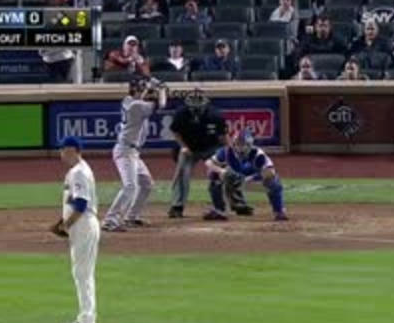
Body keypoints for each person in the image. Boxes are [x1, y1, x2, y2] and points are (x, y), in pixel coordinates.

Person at [102, 75, 168, 232]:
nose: (144, 91)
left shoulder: (129, 101)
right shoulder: (136, 106)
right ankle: (110, 220)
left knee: (146, 184)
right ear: (135, 90)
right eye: (141, 88)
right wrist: (162, 89)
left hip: (132, 152)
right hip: (125, 151)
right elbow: (161, 104)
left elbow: (144, 99)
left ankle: (131, 216)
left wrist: (152, 87)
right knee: (130, 186)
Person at [50, 136, 101, 323]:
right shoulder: (78, 170)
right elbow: (74, 202)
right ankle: (86, 318)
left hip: (83, 225)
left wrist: (65, 226)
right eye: (61, 150)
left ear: (74, 151)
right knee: (82, 272)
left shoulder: (79, 172)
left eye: (65, 150)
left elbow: (81, 204)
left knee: (82, 273)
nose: (62, 153)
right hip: (81, 225)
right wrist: (62, 222)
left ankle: (87, 320)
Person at [204, 127, 288, 221]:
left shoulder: (258, 155)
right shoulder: (227, 151)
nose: (240, 147)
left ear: (250, 144)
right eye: (237, 144)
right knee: (213, 173)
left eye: (243, 144)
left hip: (253, 183)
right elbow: (209, 162)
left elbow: (270, 172)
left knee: (274, 182)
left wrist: (252, 178)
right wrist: (221, 171)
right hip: (235, 181)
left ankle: (279, 211)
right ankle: (221, 210)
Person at [167, 89, 228, 218]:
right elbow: (175, 132)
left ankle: (228, 205)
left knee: (220, 173)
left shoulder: (215, 115)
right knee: (182, 173)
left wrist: (228, 153)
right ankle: (177, 206)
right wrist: (184, 147)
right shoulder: (181, 114)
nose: (195, 109)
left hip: (210, 148)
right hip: (189, 148)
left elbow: (223, 136)